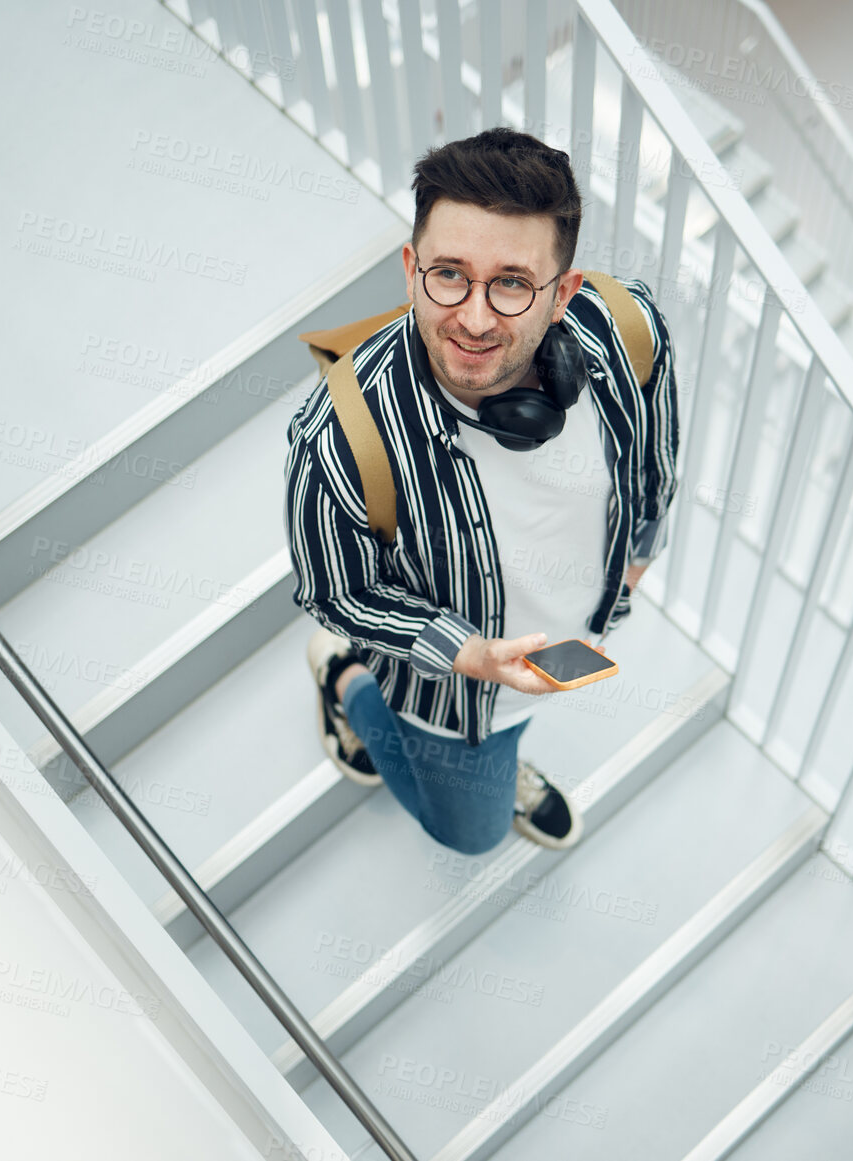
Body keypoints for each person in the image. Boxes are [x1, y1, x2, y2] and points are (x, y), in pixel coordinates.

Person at [283, 126, 679, 855]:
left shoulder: (628, 329)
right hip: (450, 688)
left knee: (503, 752)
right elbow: (335, 595)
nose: (471, 316)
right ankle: (344, 679)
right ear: (411, 269)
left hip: (575, 633)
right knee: (470, 832)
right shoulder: (336, 440)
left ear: (563, 294)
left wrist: (640, 555)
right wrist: (467, 654)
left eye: (511, 283)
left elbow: (655, 454)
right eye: (449, 274)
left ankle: (498, 760)